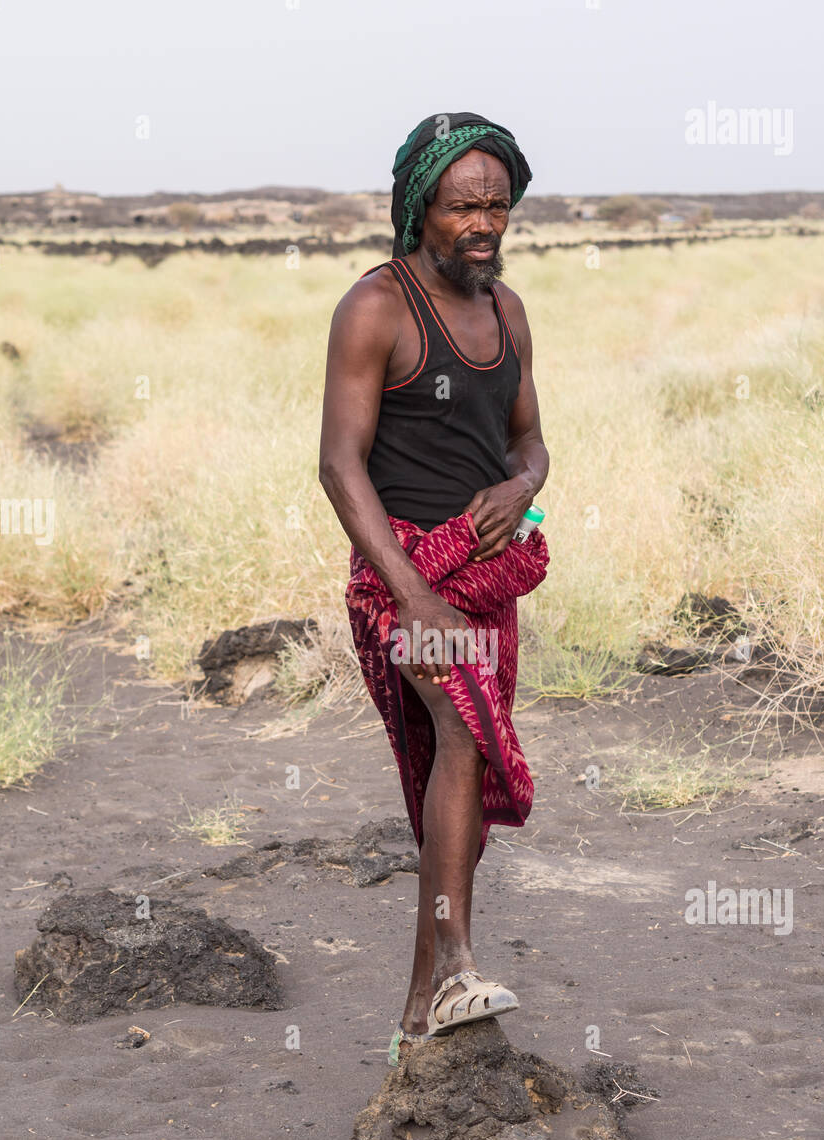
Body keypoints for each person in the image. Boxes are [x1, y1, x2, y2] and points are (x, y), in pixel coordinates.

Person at [318, 112, 550, 1065]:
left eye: (497, 205)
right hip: (402, 575)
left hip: (485, 575)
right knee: (461, 736)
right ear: (421, 208)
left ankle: (420, 1014)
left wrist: (520, 484)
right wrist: (410, 593)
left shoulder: (509, 312)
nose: (483, 224)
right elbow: (340, 466)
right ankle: (455, 963)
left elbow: (531, 440)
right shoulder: (377, 307)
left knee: (462, 767)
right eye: (463, 207)